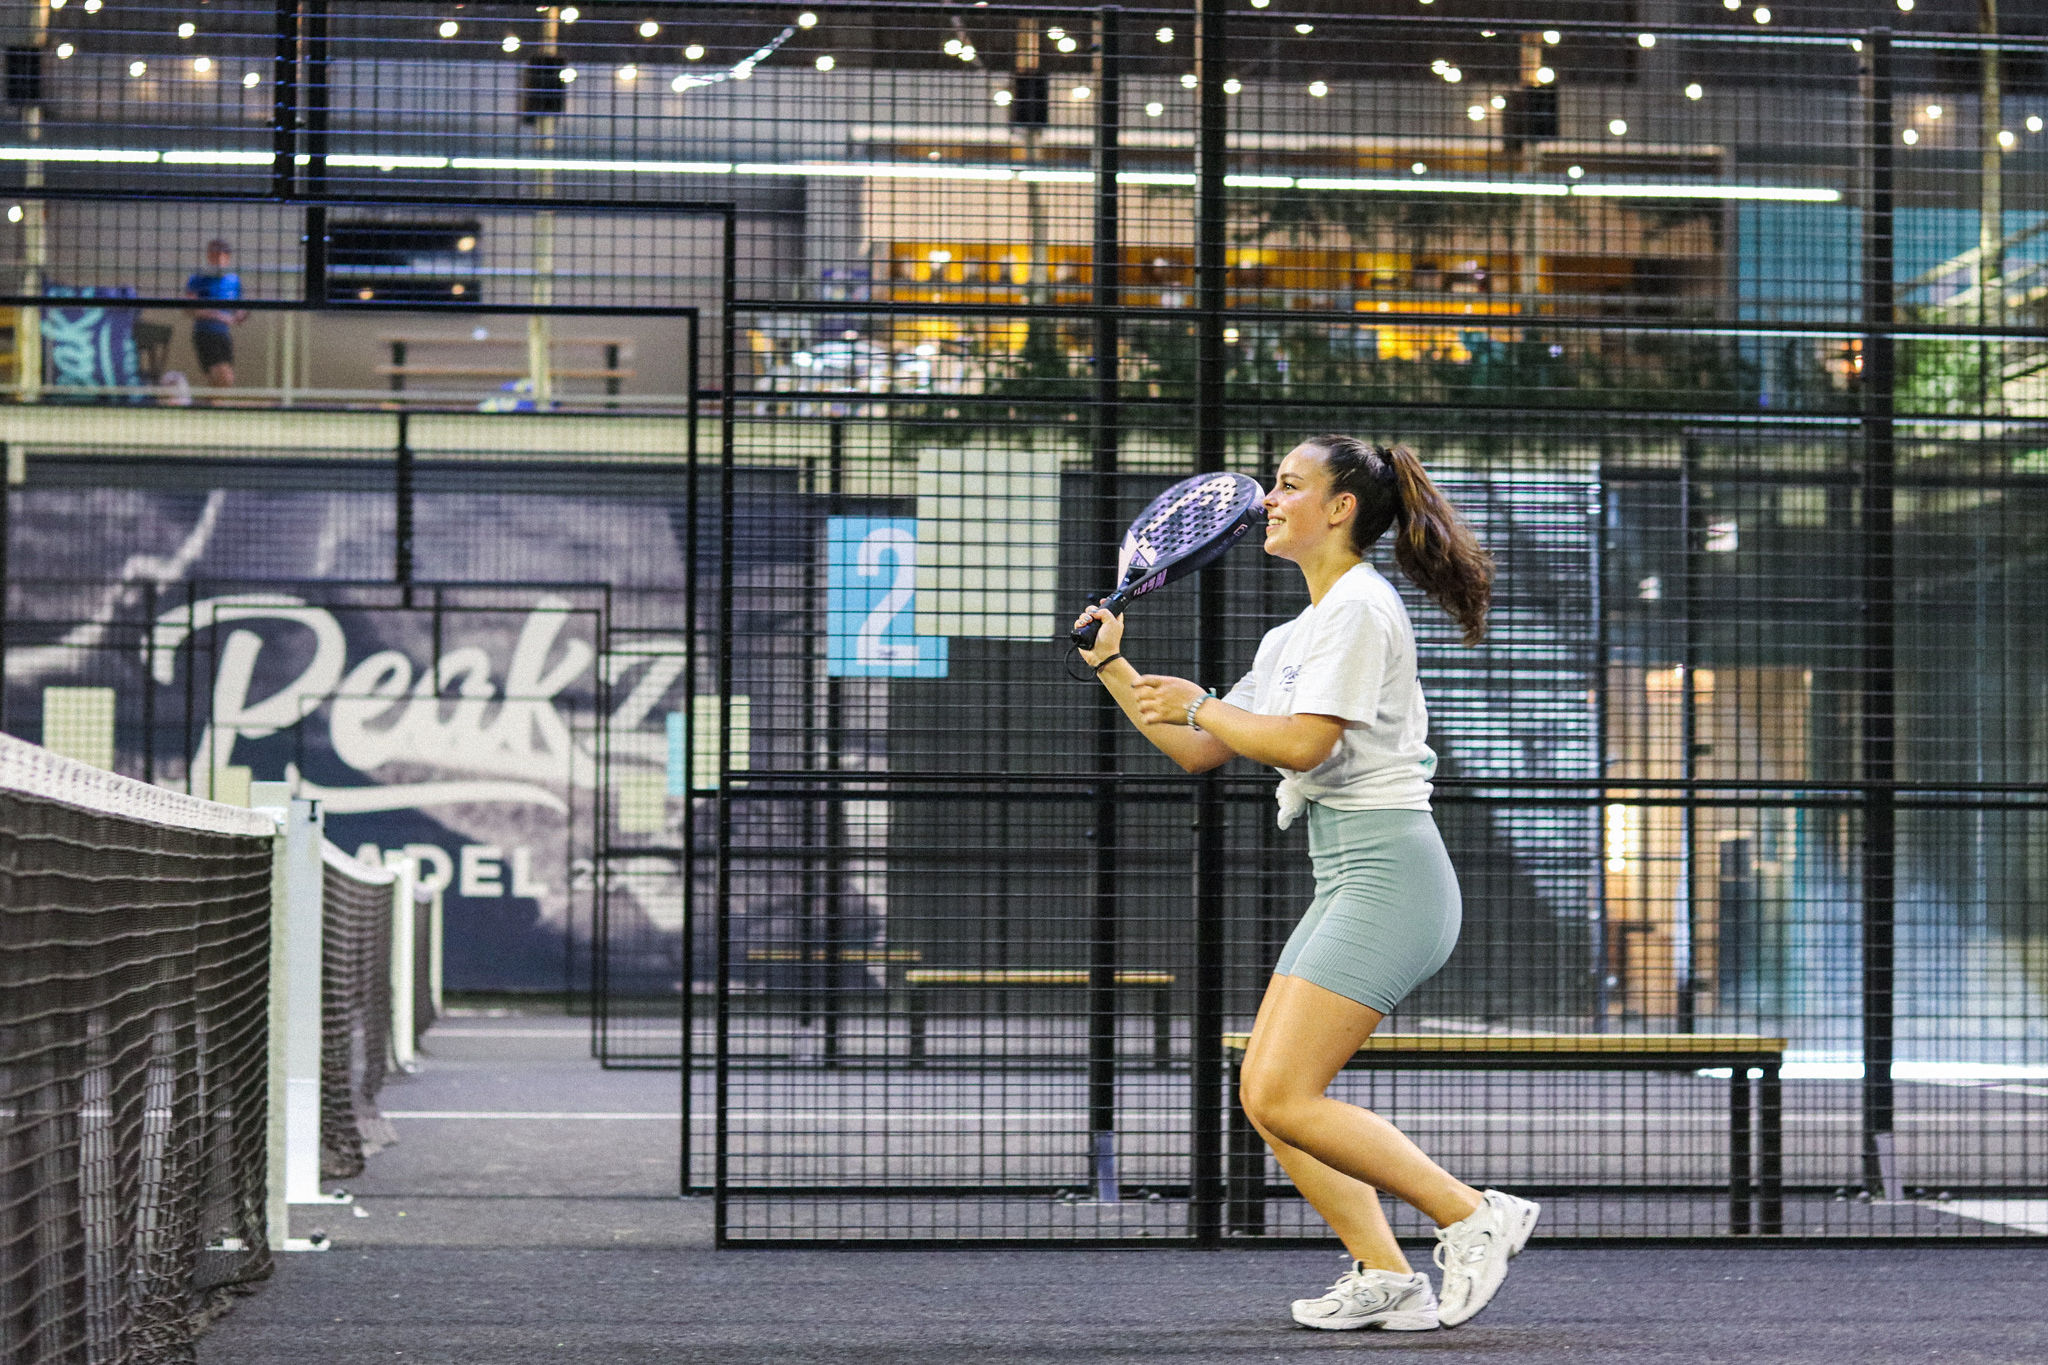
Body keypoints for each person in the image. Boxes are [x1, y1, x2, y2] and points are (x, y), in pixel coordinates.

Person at [1074, 435, 1536, 1333]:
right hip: (1348, 871)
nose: (1267, 503)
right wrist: (1113, 666)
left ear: (1339, 510)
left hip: (1391, 874)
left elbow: (1301, 744)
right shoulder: (1297, 631)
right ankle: (1383, 1271)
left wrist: (1205, 702)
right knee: (1269, 1091)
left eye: (1287, 487)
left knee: (1283, 1090)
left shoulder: (1361, 607)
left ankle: (1473, 1213)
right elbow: (1199, 747)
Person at [183, 239, 246, 388]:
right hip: (205, 333)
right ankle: (215, 404)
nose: (216, 260)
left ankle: (214, 405)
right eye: (212, 255)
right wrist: (219, 316)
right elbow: (190, 308)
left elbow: (240, 309)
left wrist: (239, 316)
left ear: (227, 258)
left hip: (224, 334)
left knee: (225, 378)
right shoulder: (198, 279)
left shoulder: (233, 281)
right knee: (219, 374)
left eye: (220, 256)